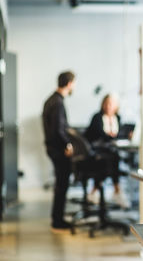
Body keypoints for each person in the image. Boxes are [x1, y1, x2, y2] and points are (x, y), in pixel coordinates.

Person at [84, 94, 130, 208]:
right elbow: (98, 134)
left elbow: (119, 134)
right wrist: (110, 136)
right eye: (107, 103)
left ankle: (96, 190)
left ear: (116, 106)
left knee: (113, 157)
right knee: (111, 159)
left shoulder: (118, 118)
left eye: (111, 104)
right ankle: (116, 190)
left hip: (111, 151)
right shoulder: (97, 117)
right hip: (96, 151)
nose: (108, 106)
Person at [42, 70, 75, 230]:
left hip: (52, 147)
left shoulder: (51, 100)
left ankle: (57, 217)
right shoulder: (58, 102)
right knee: (62, 184)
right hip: (58, 149)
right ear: (69, 83)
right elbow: (59, 130)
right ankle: (58, 220)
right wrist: (67, 146)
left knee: (60, 184)